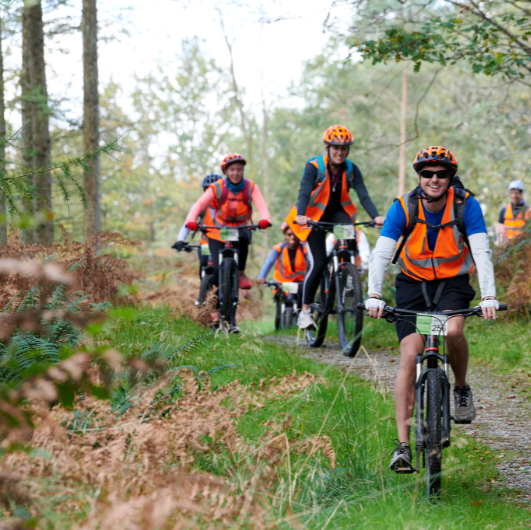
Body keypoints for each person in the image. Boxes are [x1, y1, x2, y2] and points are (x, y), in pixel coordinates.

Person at [365, 146, 500, 473]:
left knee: (453, 330)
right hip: (412, 284)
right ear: (419, 177)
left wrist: (488, 297)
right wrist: (374, 294)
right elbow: (382, 254)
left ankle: (461, 387)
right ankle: (402, 446)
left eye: (441, 173)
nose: (434, 179)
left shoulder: (465, 205)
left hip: (452, 284)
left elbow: (481, 253)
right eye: (427, 174)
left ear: (451, 177)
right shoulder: (404, 207)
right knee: (410, 355)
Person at [287, 125, 385, 330]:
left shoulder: (351, 169)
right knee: (319, 262)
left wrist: (376, 216)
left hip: (337, 214)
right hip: (313, 218)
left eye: (343, 148)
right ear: (328, 148)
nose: (339, 152)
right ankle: (305, 311)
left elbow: (363, 194)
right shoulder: (314, 166)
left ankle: (347, 277)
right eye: (335, 148)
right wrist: (301, 215)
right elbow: (304, 192)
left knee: (348, 240)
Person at [184, 153, 272, 331]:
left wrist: (265, 218)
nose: (236, 173)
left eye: (239, 169)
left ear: (243, 170)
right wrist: (191, 219)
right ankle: (214, 308)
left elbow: (261, 204)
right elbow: (200, 204)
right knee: (216, 269)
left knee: (246, 236)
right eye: (232, 169)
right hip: (219, 231)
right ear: (225, 171)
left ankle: (240, 273)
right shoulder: (217, 187)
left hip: (240, 228)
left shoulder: (250, 187)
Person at [173, 173, 222, 288]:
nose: (212, 192)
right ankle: (204, 291)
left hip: (224, 240)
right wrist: (180, 240)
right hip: (207, 241)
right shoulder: (200, 206)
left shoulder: (229, 204)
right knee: (205, 263)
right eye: (208, 189)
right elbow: (187, 224)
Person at [495, 180, 531, 245]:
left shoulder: (530, 210)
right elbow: (500, 231)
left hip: (524, 245)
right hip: (507, 247)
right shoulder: (504, 210)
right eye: (512, 193)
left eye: (516, 193)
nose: (514, 196)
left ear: (521, 194)